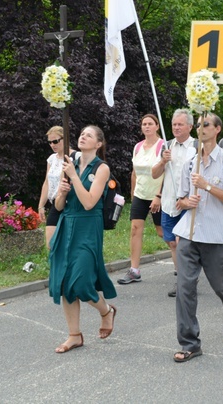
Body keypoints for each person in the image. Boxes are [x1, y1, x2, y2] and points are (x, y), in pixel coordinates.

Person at [172, 113, 223, 363]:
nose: (201, 130)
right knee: (185, 288)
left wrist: (207, 187)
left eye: (206, 125)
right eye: (199, 126)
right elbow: (179, 201)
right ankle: (190, 343)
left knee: (222, 286)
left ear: (217, 130)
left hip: (215, 235)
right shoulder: (190, 163)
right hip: (189, 234)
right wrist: (185, 201)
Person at [48, 125, 117, 353]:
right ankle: (74, 335)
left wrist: (74, 177)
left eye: (89, 135)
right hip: (67, 224)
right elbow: (58, 206)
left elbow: (89, 202)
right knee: (65, 282)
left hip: (88, 227)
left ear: (98, 144)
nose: (82, 136)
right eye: (81, 134)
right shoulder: (70, 165)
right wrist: (63, 192)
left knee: (82, 282)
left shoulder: (102, 168)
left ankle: (106, 311)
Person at [151, 109, 197, 297]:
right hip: (169, 202)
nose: (176, 128)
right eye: (174, 124)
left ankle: (186, 281)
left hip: (189, 203)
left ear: (190, 126)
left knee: (182, 242)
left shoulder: (197, 146)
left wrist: (188, 198)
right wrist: (163, 161)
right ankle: (182, 277)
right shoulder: (167, 146)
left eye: (180, 124)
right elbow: (154, 174)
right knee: (172, 243)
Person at [118, 114, 164, 285]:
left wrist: (158, 196)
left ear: (157, 126)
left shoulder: (162, 146)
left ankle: (185, 260)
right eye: (144, 124)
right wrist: (132, 194)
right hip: (140, 194)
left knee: (163, 233)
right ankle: (134, 270)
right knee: (135, 229)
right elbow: (134, 172)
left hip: (157, 195)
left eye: (150, 124)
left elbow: (167, 173)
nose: (146, 127)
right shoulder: (137, 147)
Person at [39, 126, 77, 249]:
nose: (52, 145)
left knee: (70, 242)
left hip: (70, 201)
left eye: (55, 141)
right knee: (51, 243)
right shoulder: (52, 159)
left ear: (64, 139)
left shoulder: (75, 156)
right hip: (55, 201)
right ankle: (57, 265)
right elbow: (47, 182)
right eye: (50, 142)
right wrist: (41, 205)